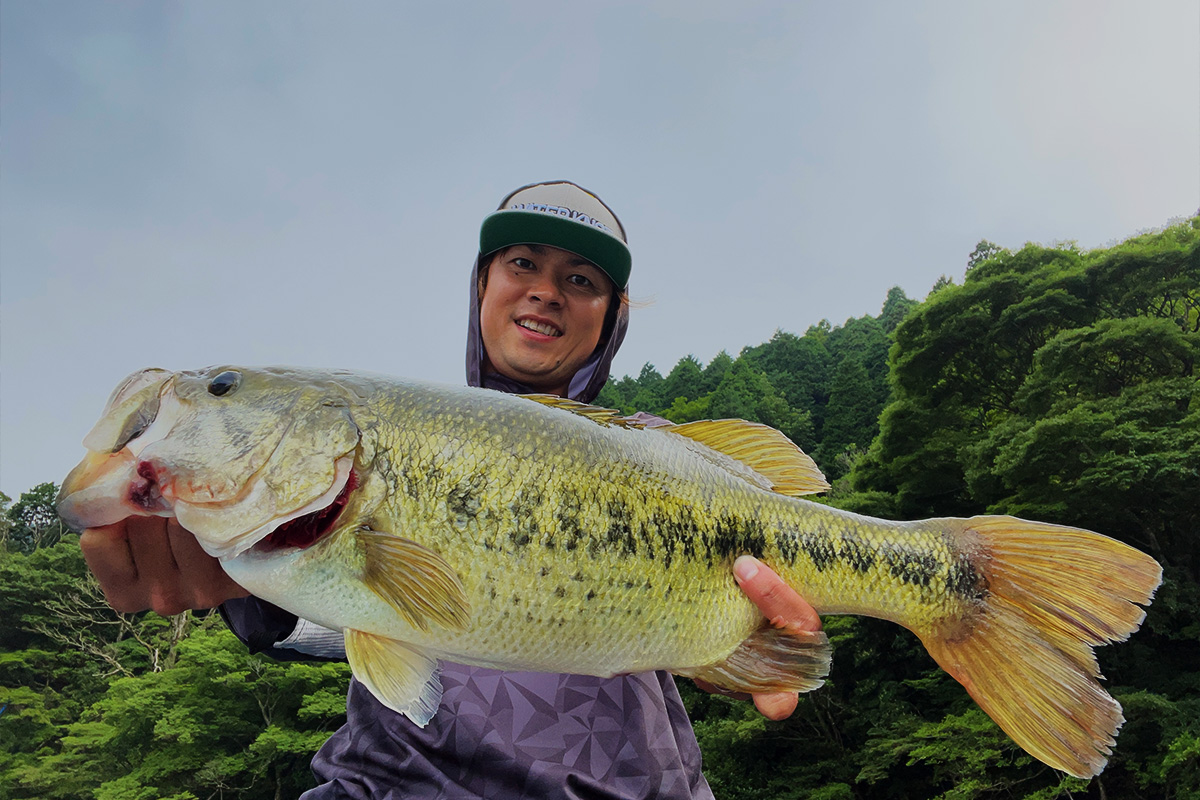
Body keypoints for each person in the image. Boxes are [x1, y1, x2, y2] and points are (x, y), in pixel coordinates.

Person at [80, 181, 822, 798]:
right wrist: (249, 587)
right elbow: (348, 621)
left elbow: (759, 624)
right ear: (481, 285)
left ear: (612, 317)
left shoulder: (671, 457)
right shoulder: (383, 438)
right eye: (522, 262)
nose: (545, 291)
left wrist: (750, 649)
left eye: (581, 279)